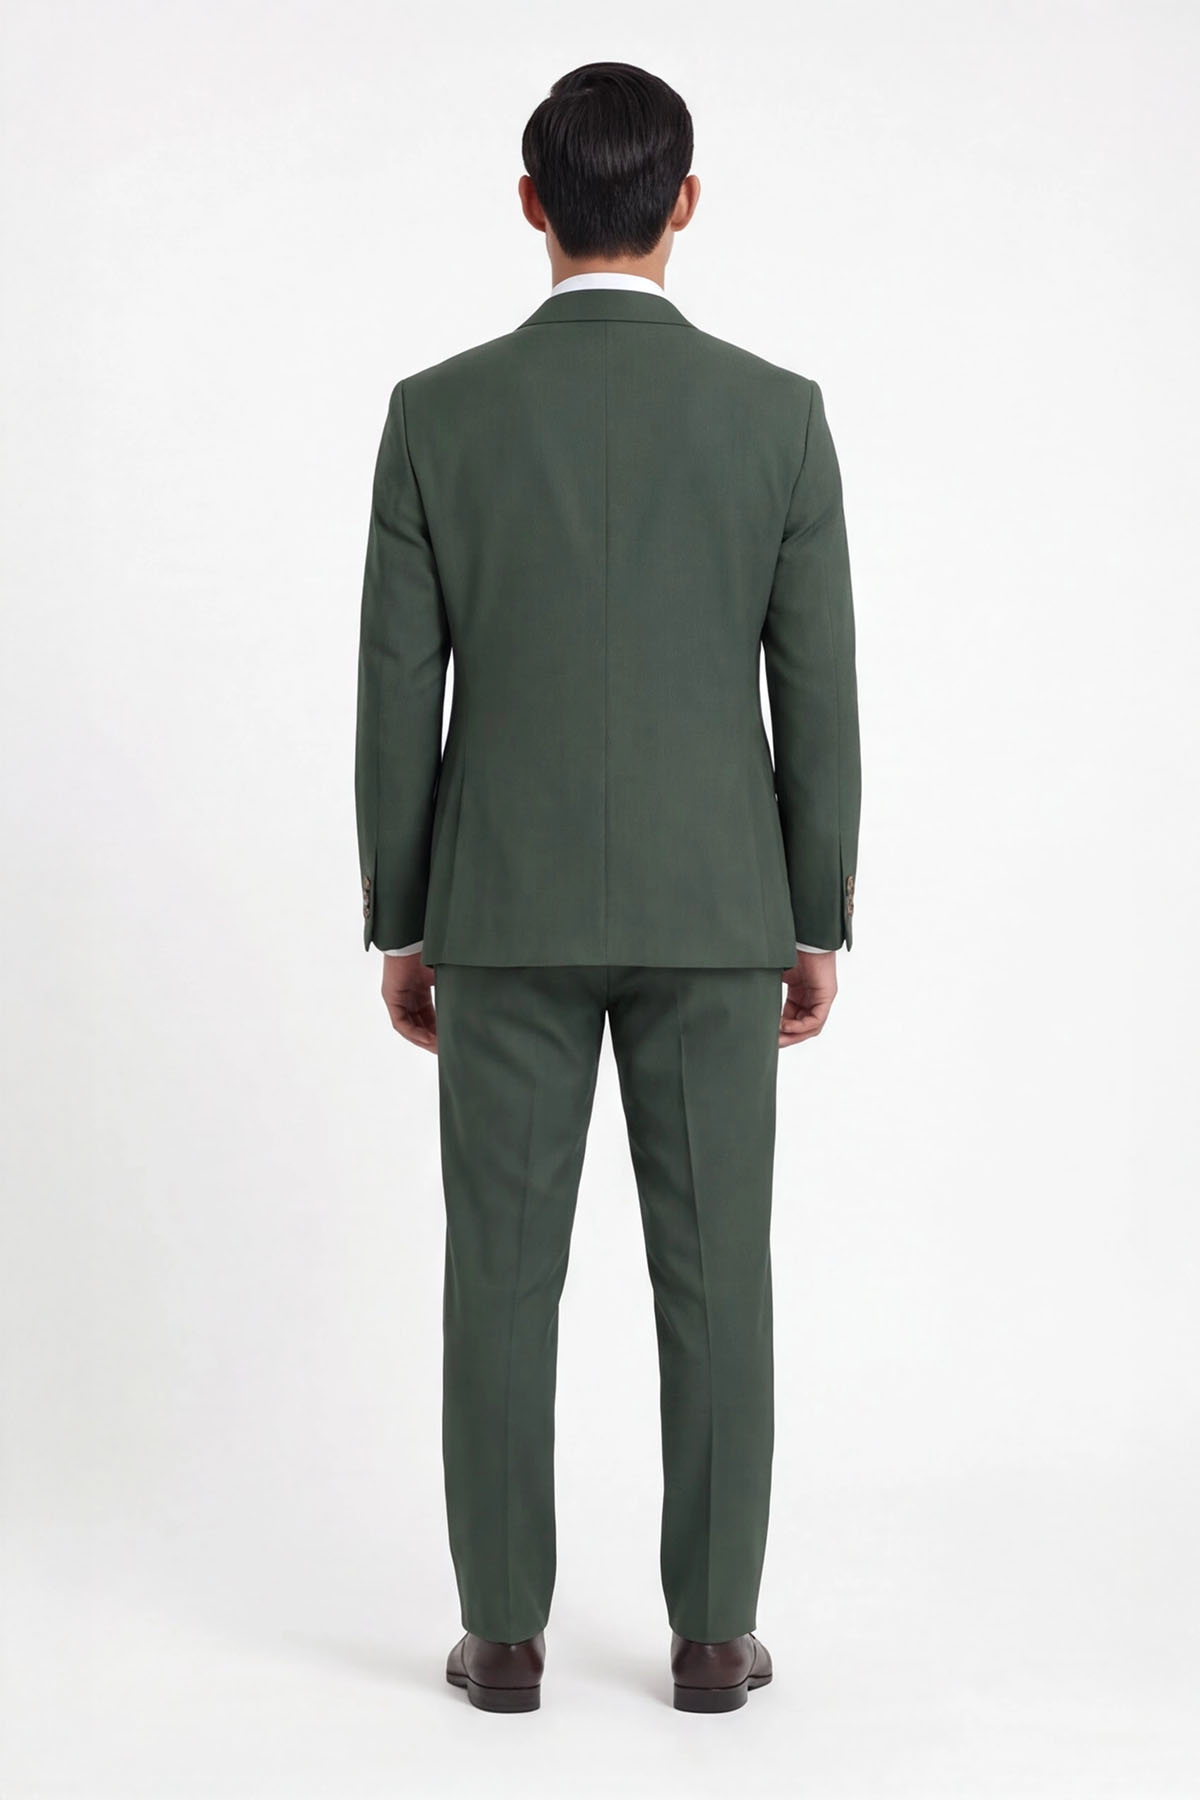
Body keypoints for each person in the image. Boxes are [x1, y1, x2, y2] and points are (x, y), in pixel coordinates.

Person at [353, 60, 861, 1715]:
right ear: (685, 204)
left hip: (500, 915)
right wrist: (813, 915)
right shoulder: (778, 416)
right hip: (719, 917)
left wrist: (405, 918)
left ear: (532, 204)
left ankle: (504, 1636)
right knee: (719, 1277)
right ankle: (713, 1637)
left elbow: (397, 692)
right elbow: (818, 692)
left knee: (498, 1275)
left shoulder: (437, 415)